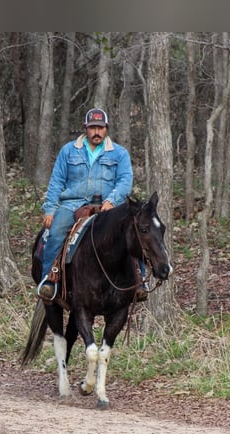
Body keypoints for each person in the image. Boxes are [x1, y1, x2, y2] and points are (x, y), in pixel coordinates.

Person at [36, 108, 147, 302]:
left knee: (134, 231)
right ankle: (49, 280)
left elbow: (125, 180)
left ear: (107, 129)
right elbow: (56, 181)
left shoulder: (119, 154)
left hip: (107, 206)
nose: (96, 132)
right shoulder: (69, 150)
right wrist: (50, 209)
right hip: (72, 204)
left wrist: (111, 201)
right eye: (92, 127)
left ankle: (140, 281)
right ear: (85, 129)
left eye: (100, 128)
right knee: (55, 234)